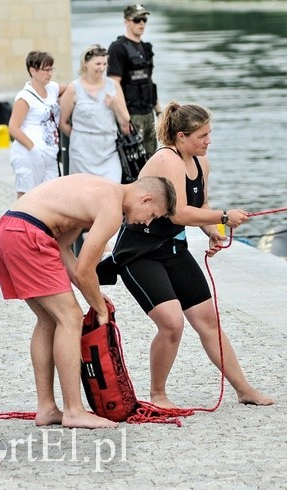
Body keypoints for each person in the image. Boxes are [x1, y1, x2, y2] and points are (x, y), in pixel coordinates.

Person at [99, 102, 273, 408]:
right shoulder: (167, 160)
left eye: (210, 133)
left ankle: (243, 388)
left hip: (173, 249)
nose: (209, 141)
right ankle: (158, 394)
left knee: (208, 320)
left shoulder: (201, 163)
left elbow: (201, 208)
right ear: (181, 136)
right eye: (202, 135)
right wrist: (223, 217)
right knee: (172, 323)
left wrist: (213, 231)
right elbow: (178, 213)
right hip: (139, 252)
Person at [0, 174, 177, 428]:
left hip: (9, 228)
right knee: (70, 318)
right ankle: (73, 411)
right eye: (153, 214)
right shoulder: (111, 209)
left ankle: (46, 408)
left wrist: (94, 295)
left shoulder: (98, 192)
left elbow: (63, 248)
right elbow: (84, 270)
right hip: (27, 233)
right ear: (146, 199)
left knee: (49, 319)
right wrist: (99, 308)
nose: (147, 222)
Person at [59, 44, 132, 183]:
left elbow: (125, 120)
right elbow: (62, 122)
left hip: (108, 149)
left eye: (105, 64)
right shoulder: (73, 88)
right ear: (86, 63)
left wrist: (115, 105)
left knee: (112, 187)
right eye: (98, 63)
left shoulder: (113, 86)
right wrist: (77, 136)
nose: (102, 68)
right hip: (81, 152)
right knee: (83, 192)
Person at [8, 51, 66, 199]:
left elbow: (72, 89)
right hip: (30, 153)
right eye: (46, 70)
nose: (50, 73)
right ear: (33, 71)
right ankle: (19, 223)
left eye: (51, 69)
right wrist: (33, 148)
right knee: (27, 197)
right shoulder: (25, 96)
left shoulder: (52, 88)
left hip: (50, 153)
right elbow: (13, 127)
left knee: (52, 196)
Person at [108, 4, 161, 159]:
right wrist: (124, 117)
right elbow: (114, 83)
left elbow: (149, 81)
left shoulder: (146, 48)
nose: (142, 23)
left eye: (144, 19)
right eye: (137, 20)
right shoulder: (118, 48)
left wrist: (159, 111)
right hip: (132, 114)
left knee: (151, 158)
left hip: (148, 113)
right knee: (134, 161)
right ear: (127, 21)